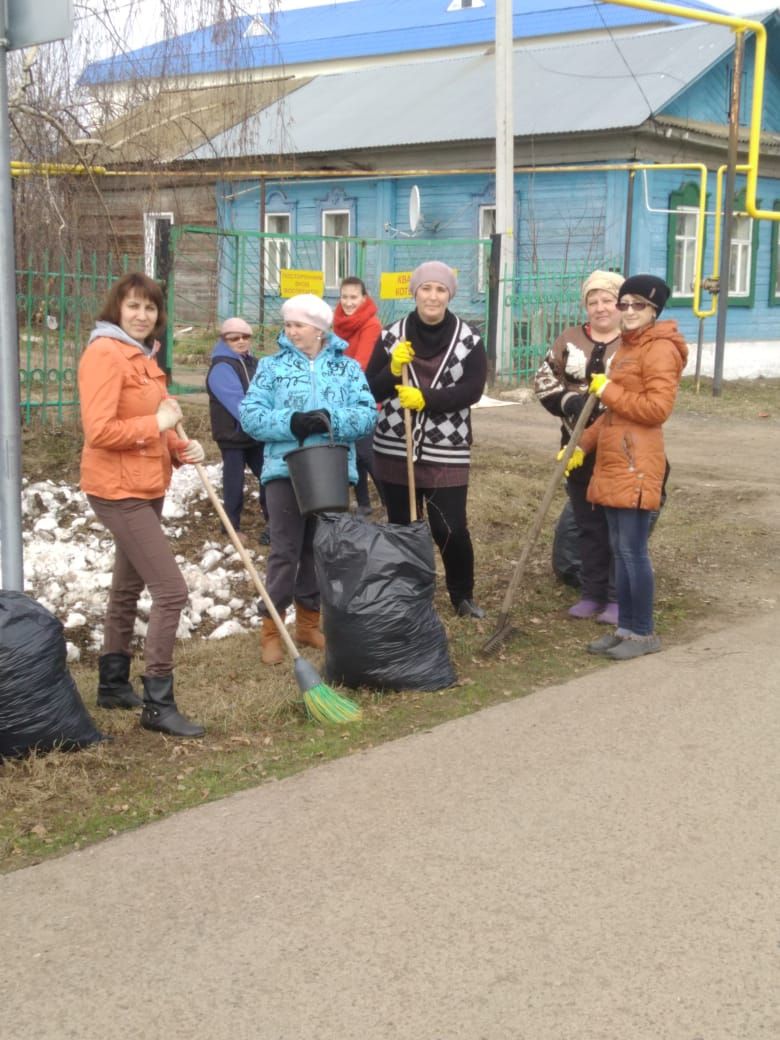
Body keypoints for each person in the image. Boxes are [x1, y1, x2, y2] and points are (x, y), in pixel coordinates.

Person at [78, 272, 206, 737]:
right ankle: (158, 703)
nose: (141, 315)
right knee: (172, 591)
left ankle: (112, 685)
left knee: (126, 587)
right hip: (117, 490)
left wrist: (178, 446)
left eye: (150, 308)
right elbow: (100, 431)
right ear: (117, 309)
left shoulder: (142, 355)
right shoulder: (104, 354)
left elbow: (159, 423)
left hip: (146, 485)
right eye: (133, 306)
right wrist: (156, 423)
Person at [239, 293, 377, 666]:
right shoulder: (271, 368)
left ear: (319, 329)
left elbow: (367, 415)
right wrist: (292, 422)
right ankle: (271, 629)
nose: (291, 331)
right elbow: (249, 416)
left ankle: (308, 623)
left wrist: (330, 419)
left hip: (331, 470)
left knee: (318, 550)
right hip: (284, 469)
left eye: (298, 324)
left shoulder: (347, 369)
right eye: (287, 324)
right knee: (285, 550)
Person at [565, 274, 688, 660]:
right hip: (616, 458)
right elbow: (615, 411)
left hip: (637, 461)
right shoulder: (630, 347)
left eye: (639, 305)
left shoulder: (660, 349)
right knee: (620, 549)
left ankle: (643, 632)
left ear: (654, 310)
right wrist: (579, 445)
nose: (629, 311)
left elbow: (657, 410)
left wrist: (607, 389)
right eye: (625, 303)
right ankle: (625, 629)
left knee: (633, 551)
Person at [366, 260, 487, 619]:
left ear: (449, 295)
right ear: (414, 292)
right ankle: (409, 595)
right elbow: (370, 387)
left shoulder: (469, 339)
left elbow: (473, 390)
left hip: (446, 447)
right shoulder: (391, 336)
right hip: (394, 445)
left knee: (449, 526)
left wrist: (427, 400)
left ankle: (461, 595)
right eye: (426, 288)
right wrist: (390, 369)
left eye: (440, 289)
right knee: (402, 526)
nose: (433, 296)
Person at [533, 269, 624, 624]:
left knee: (616, 523)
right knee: (587, 524)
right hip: (572, 447)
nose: (600, 308)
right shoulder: (569, 339)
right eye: (593, 301)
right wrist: (569, 402)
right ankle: (592, 592)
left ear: (620, 303)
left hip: (617, 448)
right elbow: (543, 380)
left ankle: (617, 597)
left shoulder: (632, 343)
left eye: (607, 300)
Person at [206, 316, 270, 546]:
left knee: (270, 475)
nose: (241, 341)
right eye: (235, 338)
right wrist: (266, 423)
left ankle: (274, 522)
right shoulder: (222, 367)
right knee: (234, 481)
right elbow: (238, 404)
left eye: (246, 336)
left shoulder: (252, 362)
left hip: (254, 434)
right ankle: (230, 528)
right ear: (224, 340)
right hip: (233, 435)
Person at [332, 276, 384, 515]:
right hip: (342, 397)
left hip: (365, 395)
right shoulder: (338, 322)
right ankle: (363, 503)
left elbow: (360, 364)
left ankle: (390, 503)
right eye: (344, 297)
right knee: (353, 450)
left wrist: (334, 380)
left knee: (366, 452)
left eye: (354, 297)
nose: (348, 303)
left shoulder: (371, 325)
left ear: (364, 298)